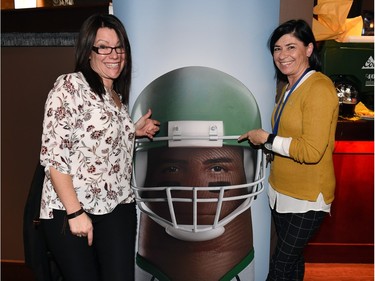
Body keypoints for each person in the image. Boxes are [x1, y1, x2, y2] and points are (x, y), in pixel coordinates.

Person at [38, 13, 159, 281]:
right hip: (72, 209)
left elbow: (98, 140)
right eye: (103, 46)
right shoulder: (70, 86)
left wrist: (132, 131)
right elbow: (54, 157)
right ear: (88, 51)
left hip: (117, 206)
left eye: (119, 47)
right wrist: (75, 212)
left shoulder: (115, 96)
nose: (113, 54)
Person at [131, 66, 265, 281]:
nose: (195, 189)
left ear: (249, 170)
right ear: (141, 170)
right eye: (171, 168)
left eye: (217, 168)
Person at [239, 19, 339, 281]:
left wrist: (266, 138)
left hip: (306, 197)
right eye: (277, 49)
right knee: (292, 262)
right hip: (281, 192)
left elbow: (312, 151)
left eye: (291, 47)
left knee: (280, 267)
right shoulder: (289, 87)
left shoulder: (319, 88)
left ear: (309, 49)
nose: (282, 55)